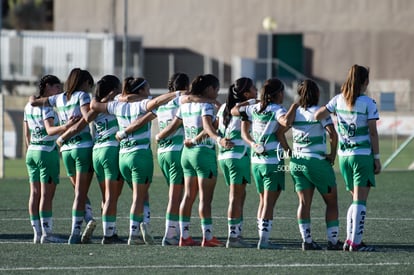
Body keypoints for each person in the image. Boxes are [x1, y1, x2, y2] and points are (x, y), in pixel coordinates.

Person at [90, 76, 179, 245]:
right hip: (140, 155)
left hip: (123, 156)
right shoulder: (141, 104)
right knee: (139, 197)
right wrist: (178, 93)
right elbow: (157, 102)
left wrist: (120, 97)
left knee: (126, 196)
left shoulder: (117, 103)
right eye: (147, 89)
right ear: (139, 91)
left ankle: (109, 233)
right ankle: (134, 233)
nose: (149, 93)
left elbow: (94, 105)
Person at [315, 64, 381, 252]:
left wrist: (333, 125)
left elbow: (318, 115)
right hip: (361, 156)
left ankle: (349, 240)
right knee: (360, 201)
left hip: (344, 157)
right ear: (365, 82)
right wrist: (376, 158)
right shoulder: (368, 103)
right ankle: (355, 243)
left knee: (354, 199)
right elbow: (373, 133)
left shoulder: (338, 100)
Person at [156, 74, 226, 247]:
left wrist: (159, 136)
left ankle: (184, 236)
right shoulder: (207, 105)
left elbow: (172, 127)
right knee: (205, 199)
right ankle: (208, 237)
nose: (217, 93)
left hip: (186, 155)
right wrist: (219, 139)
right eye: (216, 89)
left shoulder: (184, 106)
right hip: (203, 153)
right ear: (209, 89)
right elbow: (208, 127)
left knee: (187, 196)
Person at [30, 68, 97, 244]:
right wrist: (99, 108)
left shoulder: (58, 98)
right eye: (90, 85)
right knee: (81, 193)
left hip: (66, 150)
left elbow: (36, 102)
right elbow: (87, 116)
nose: (90, 89)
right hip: (82, 146)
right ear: (85, 82)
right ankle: (75, 233)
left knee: (78, 191)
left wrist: (33, 99)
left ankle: (89, 219)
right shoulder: (83, 96)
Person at [232, 78, 296, 249]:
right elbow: (285, 122)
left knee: (263, 200)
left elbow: (234, 111)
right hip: (272, 161)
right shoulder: (277, 109)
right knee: (268, 202)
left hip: (256, 161)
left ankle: (263, 237)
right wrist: (295, 107)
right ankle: (264, 240)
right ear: (279, 93)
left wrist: (251, 101)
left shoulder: (254, 108)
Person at [286, 79, 342, 250]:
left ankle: (307, 241)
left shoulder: (295, 112)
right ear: (316, 94)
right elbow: (333, 134)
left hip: (296, 162)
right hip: (316, 161)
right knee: (332, 202)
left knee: (303, 203)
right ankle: (333, 242)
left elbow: (281, 131)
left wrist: (287, 150)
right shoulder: (319, 112)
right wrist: (332, 154)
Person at [24, 75, 79, 244]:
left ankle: (37, 233)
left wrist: (31, 148)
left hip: (32, 151)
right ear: (47, 87)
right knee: (46, 195)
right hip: (46, 152)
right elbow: (49, 130)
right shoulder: (46, 107)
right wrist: (67, 126)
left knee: (34, 193)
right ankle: (47, 234)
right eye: (57, 87)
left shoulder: (28, 105)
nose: (60, 91)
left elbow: (27, 133)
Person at [216, 77, 257, 248]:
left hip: (224, 156)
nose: (256, 90)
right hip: (237, 156)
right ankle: (233, 237)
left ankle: (237, 232)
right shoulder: (244, 108)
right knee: (235, 197)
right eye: (253, 88)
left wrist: (219, 140)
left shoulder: (224, 107)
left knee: (240, 195)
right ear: (246, 93)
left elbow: (211, 127)